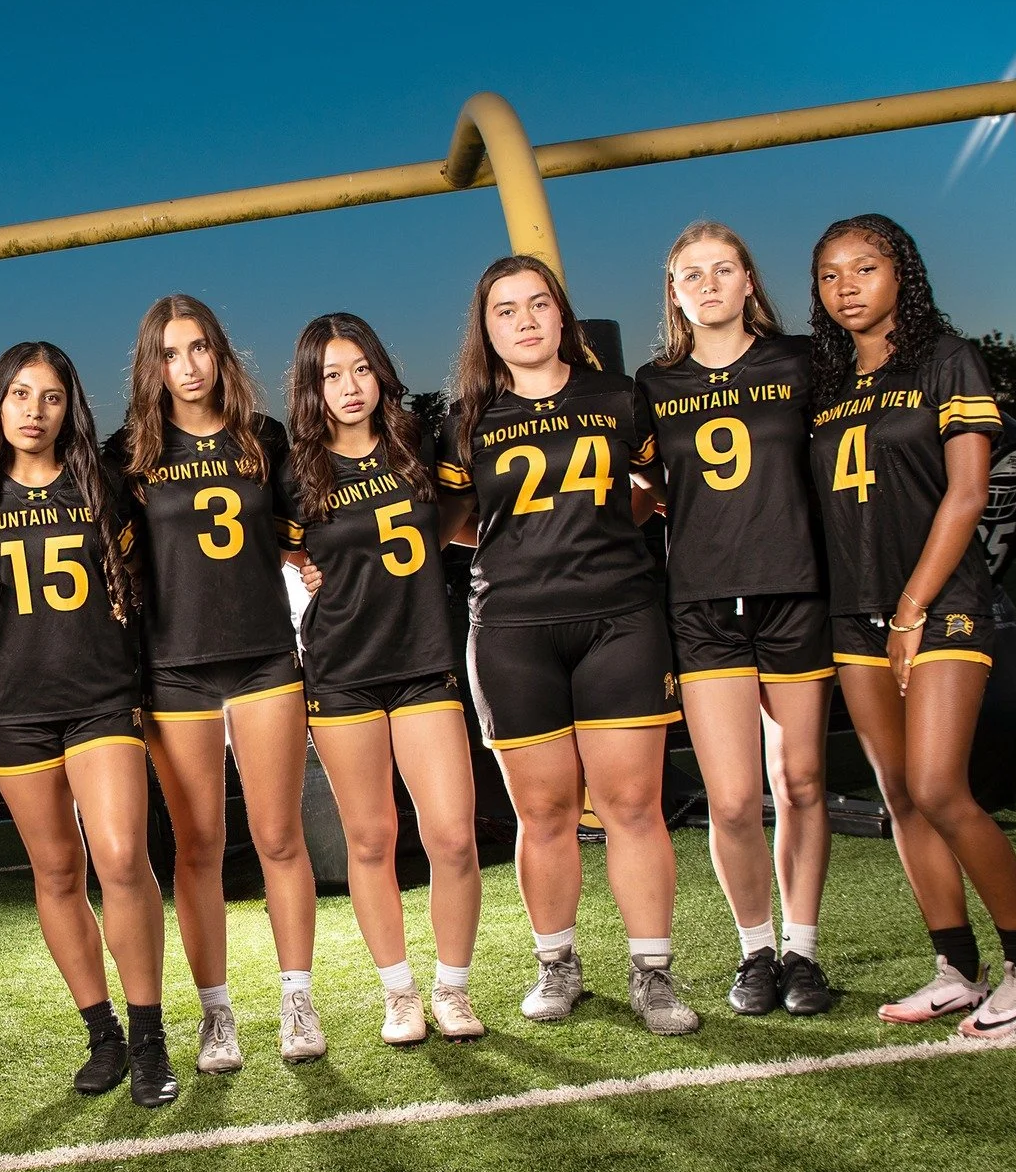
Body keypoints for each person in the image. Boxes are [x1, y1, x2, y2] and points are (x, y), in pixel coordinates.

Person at [807, 213, 1016, 1035]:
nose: (847, 286)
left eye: (866, 268)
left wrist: (914, 607)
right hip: (855, 611)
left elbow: (965, 493)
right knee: (900, 798)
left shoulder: (946, 359)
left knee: (942, 788)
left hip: (940, 603)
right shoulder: (827, 380)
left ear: (901, 274)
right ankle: (956, 965)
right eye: (830, 274)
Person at [438, 256, 701, 1036]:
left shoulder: (620, 398)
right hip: (514, 628)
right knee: (544, 811)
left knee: (632, 805)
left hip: (619, 617)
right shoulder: (467, 419)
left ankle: (652, 970)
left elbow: (661, 488)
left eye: (537, 305)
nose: (524, 321)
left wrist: (621, 517)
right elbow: (453, 518)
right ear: (486, 331)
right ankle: (558, 962)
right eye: (505, 311)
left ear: (563, 316)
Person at [0, 341, 179, 1107]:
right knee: (55, 870)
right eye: (19, 394)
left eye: (49, 397)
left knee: (118, 853)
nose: (34, 411)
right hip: (12, 704)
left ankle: (149, 1034)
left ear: (70, 406)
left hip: (101, 694)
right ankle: (101, 1032)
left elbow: (141, 579)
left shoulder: (102, 487)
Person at [108, 294, 324, 1071]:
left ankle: (297, 997)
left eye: (199, 348)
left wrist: (316, 558)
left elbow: (303, 535)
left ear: (220, 354)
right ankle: (215, 1013)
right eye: (171, 353)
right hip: (175, 668)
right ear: (152, 366)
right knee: (199, 844)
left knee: (278, 835)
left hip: (265, 653)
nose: (188, 366)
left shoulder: (261, 439)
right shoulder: (130, 455)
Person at [633, 222, 834, 1017]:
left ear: (750, 280)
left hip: (794, 592)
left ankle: (803, 950)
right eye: (692, 274)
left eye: (724, 269)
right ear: (675, 292)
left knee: (804, 779)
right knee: (731, 797)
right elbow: (640, 485)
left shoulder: (801, 363)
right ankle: (755, 949)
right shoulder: (653, 383)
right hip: (705, 602)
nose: (709, 283)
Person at [280, 313, 485, 1046]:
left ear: (381, 371)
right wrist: (300, 565)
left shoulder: (419, 442)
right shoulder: (295, 471)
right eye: (331, 374)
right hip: (342, 665)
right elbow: (269, 540)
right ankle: (398, 991)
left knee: (453, 835)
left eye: (360, 368)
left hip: (423, 656)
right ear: (310, 386)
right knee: (371, 838)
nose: (349, 385)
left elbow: (459, 516)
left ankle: (453, 987)